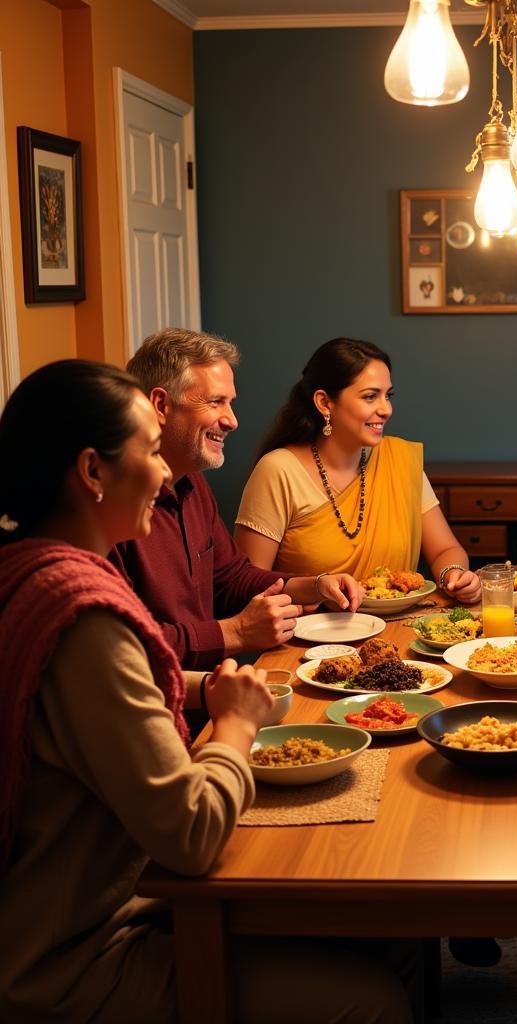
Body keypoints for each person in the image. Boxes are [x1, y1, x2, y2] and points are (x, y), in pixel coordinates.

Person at [0, 360, 419, 1023]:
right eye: (147, 449)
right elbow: (191, 835)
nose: (164, 471)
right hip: (78, 954)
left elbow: (111, 695)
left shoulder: (31, 571)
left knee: (393, 932)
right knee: (375, 1002)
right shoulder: (85, 619)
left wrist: (205, 687)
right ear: (92, 472)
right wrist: (235, 725)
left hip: (102, 904)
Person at [110, 328, 364, 671]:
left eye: (230, 403)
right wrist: (235, 632)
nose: (232, 420)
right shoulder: (109, 507)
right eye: (215, 402)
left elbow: (230, 578)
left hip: (216, 691)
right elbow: (121, 646)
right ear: (160, 405)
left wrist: (312, 586)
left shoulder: (193, 484)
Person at [234, 338, 481, 604]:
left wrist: (453, 574)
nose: (386, 409)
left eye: (388, 396)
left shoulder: (399, 460)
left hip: (397, 630)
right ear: (325, 403)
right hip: (310, 639)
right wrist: (316, 588)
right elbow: (247, 586)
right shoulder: (278, 471)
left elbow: (446, 549)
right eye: (370, 396)